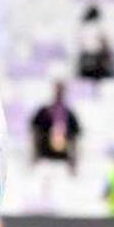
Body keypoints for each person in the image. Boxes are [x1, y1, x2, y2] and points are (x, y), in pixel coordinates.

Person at [28, 81, 81, 211]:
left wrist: (73, 161)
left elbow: (74, 139)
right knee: (41, 191)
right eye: (58, 90)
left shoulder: (69, 114)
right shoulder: (44, 112)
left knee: (62, 196)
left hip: (62, 160)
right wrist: (34, 155)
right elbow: (35, 134)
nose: (59, 93)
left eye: (62, 90)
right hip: (45, 157)